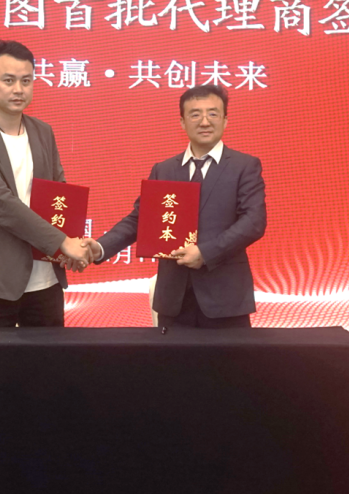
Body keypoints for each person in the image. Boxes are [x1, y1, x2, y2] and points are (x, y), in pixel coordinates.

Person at [89, 84, 266, 327]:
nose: (205, 122)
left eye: (213, 113)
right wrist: (100, 247)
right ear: (182, 122)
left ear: (225, 120)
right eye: (195, 114)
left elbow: (253, 222)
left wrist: (205, 253)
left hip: (225, 299)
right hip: (173, 300)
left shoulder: (244, 166)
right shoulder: (164, 170)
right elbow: (140, 219)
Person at [0, 40, 92, 327]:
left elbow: (59, 194)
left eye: (26, 81)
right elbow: (3, 206)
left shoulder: (43, 132)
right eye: (8, 80)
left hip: (46, 280)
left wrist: (68, 249)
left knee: (49, 357)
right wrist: (62, 242)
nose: (18, 89)